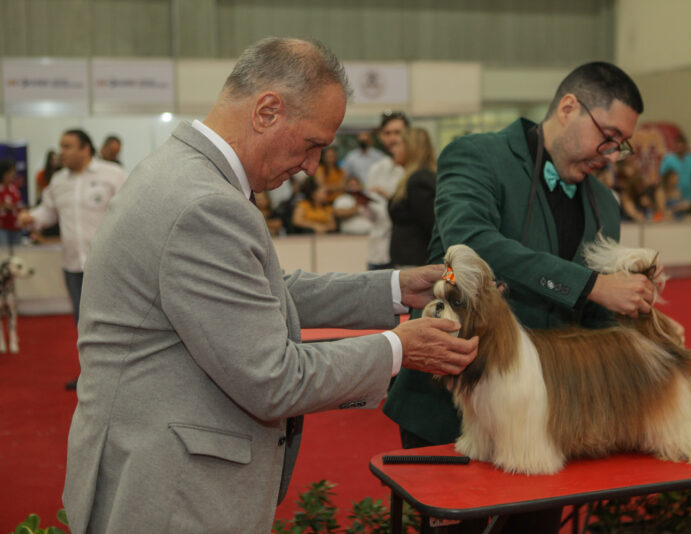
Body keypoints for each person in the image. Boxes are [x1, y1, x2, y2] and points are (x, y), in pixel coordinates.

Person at [61, 37, 477, 534]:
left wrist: (392, 288)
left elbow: (263, 290)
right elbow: (273, 379)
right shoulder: (203, 203)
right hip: (173, 494)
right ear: (267, 111)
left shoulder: (182, 172)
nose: (312, 166)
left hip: (158, 475)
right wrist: (397, 349)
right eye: (313, 144)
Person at [384, 62, 674, 534]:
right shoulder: (476, 155)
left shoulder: (606, 205)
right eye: (608, 136)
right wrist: (592, 284)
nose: (611, 154)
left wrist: (634, 306)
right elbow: (470, 239)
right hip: (451, 410)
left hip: (549, 427)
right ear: (568, 107)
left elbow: (596, 324)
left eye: (620, 145)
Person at [17, 129, 126, 389]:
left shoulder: (113, 174)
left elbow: (130, 211)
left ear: (85, 148)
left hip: (107, 264)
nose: (61, 152)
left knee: (116, 321)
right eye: (60, 146)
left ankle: (120, 376)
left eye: (67, 146)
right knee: (83, 324)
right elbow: (48, 213)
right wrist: (32, 217)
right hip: (73, 266)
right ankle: (90, 376)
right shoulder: (58, 182)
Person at [363, 111, 409, 270]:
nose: (392, 138)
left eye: (397, 133)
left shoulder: (415, 170)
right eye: (387, 133)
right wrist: (363, 203)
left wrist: (388, 197)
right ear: (381, 137)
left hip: (406, 254)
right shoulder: (376, 169)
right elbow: (371, 216)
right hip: (378, 250)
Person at [388, 127, 437, 267]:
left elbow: (432, 225)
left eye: (398, 144)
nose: (393, 150)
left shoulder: (419, 180)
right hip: (410, 263)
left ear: (411, 148)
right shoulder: (411, 178)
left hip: (417, 264)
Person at [659, 135, 691, 202]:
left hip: (689, 195)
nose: (680, 148)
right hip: (673, 196)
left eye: (682, 146)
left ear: (685, 146)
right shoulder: (668, 159)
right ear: (675, 146)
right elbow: (662, 176)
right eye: (678, 146)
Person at [0, 159, 23, 251]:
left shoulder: (14, 188)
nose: (13, 176)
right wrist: (4, 206)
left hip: (16, 227)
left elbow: (18, 204)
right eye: (10, 173)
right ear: (3, 173)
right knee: (4, 253)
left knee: (18, 254)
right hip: (2, 228)